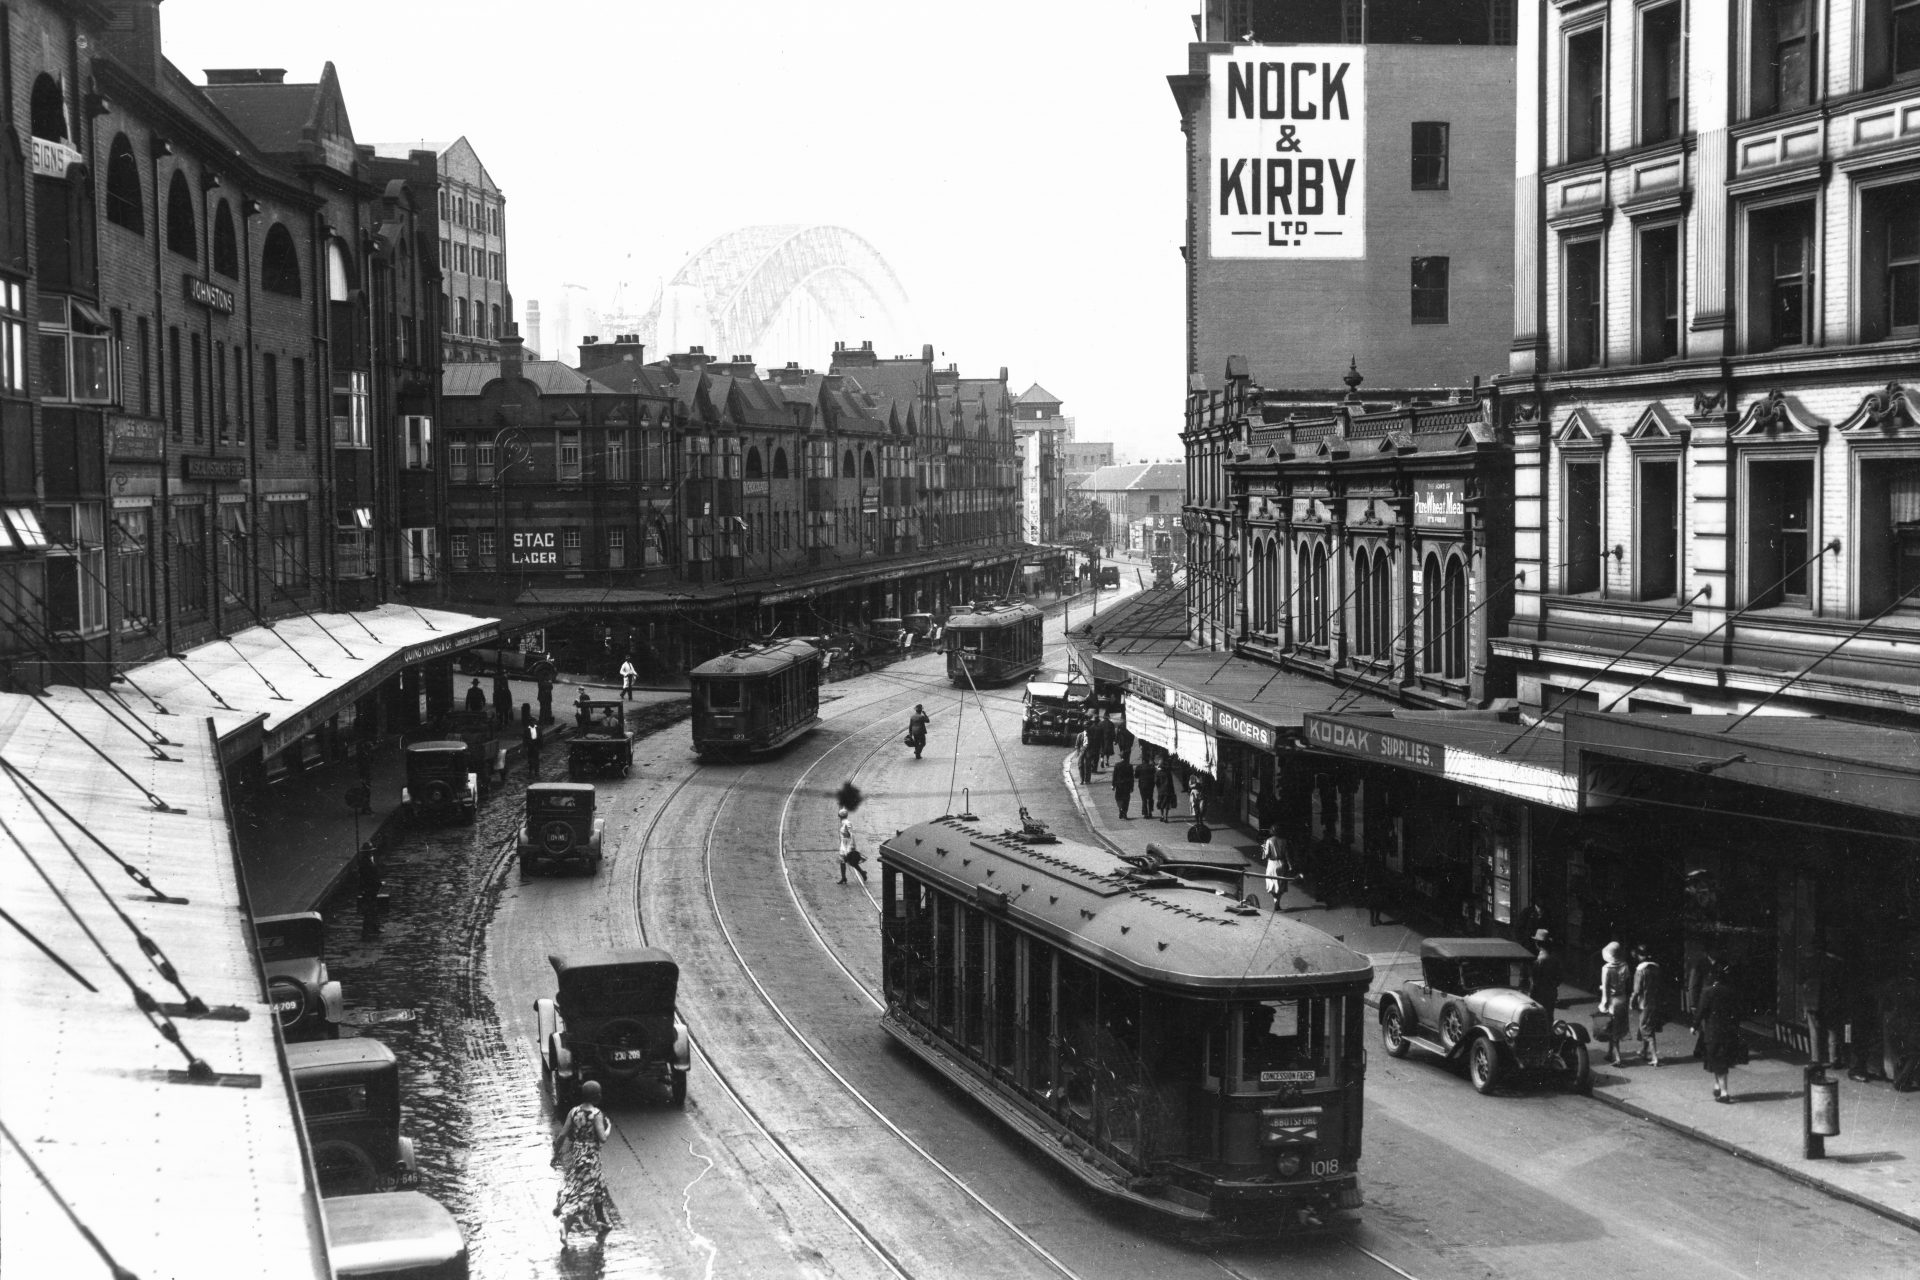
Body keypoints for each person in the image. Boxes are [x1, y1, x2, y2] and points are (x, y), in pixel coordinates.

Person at [550, 1079, 614, 1243]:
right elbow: (602, 1138)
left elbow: (563, 1134)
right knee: (585, 1194)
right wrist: (608, 1128)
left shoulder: (574, 1112)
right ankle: (565, 1225)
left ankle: (601, 1221)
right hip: (591, 1156)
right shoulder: (596, 1115)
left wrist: (556, 1154)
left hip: (578, 1153)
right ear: (597, 1096)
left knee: (598, 1185)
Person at [1696, 962, 1746, 1102]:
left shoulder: (1707, 992)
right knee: (1720, 1059)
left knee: (1716, 1060)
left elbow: (1701, 1011)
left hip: (1712, 1031)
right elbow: (1736, 1011)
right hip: (1727, 1031)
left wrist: (1694, 1025)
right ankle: (1717, 1085)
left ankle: (1724, 1093)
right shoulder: (1730, 991)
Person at [1631, 944, 1668, 1066]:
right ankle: (1644, 1051)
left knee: (1645, 1029)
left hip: (1644, 1002)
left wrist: (1632, 1001)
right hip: (1655, 1002)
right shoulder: (1656, 968)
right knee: (1649, 1026)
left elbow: (1637, 990)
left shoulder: (1640, 970)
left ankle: (1654, 1057)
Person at [1598, 941, 1632, 1067]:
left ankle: (1617, 1057)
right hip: (1622, 999)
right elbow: (1628, 985)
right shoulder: (1625, 966)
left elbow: (1606, 988)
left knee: (1612, 1029)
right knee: (1617, 1027)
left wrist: (1604, 1004)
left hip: (1612, 1001)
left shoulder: (1606, 969)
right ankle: (1609, 1052)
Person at [1529, 929, 1563, 1015]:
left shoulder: (1539, 960)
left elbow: (1534, 981)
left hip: (1539, 994)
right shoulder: (1555, 959)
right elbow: (1560, 978)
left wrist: (1530, 996)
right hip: (1551, 993)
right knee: (1549, 1016)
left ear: (1537, 943)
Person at [1262, 827, 1294, 911]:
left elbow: (1266, 855)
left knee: (1271, 883)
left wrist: (1263, 849)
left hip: (1272, 864)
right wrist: (1290, 865)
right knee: (1280, 884)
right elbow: (1287, 855)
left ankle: (1275, 901)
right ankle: (1277, 903)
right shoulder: (1284, 841)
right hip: (1282, 863)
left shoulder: (1269, 840)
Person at [837, 807, 867, 884]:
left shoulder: (847, 823)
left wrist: (852, 845)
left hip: (848, 844)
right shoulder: (842, 823)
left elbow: (851, 834)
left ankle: (862, 872)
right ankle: (843, 877)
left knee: (852, 861)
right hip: (843, 844)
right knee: (842, 860)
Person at [1134, 752, 1157, 824]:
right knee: (1150, 798)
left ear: (1142, 760)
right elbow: (1155, 774)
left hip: (1142, 785)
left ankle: (1145, 813)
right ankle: (1150, 811)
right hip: (1150, 784)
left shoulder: (1139, 767)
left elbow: (1136, 776)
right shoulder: (1152, 767)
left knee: (1144, 799)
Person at [522, 705, 541, 779]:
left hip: (536, 744)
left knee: (536, 759)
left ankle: (536, 771)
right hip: (530, 745)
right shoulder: (527, 730)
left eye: (534, 722)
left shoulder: (538, 729)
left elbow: (540, 737)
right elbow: (525, 738)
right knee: (530, 759)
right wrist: (525, 745)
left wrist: (540, 745)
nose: (533, 723)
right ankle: (530, 771)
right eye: (532, 722)